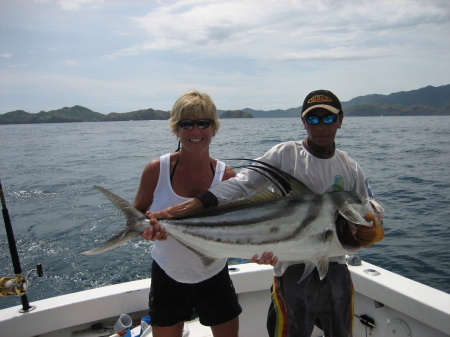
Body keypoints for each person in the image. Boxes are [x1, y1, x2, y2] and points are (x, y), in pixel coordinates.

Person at [144, 89, 384, 337]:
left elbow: (372, 207)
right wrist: (185, 208)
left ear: (340, 120)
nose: (320, 126)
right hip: (290, 268)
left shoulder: (350, 167)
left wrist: (372, 226)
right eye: (313, 119)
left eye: (328, 118)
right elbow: (243, 184)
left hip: (335, 267)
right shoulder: (286, 155)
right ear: (303, 121)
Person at [135, 90, 242, 337]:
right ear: (176, 129)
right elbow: (138, 216)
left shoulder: (227, 177)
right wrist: (147, 229)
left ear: (214, 128)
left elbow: (240, 227)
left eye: (203, 123)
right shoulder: (156, 170)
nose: (195, 131)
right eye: (187, 124)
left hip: (214, 273)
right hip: (168, 273)